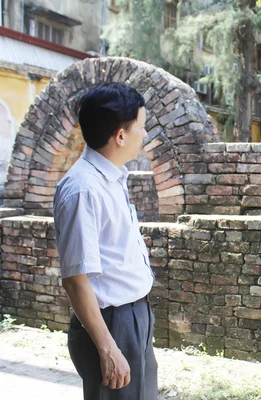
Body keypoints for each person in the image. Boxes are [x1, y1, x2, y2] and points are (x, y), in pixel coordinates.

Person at [53, 82, 157, 399]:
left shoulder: (110, 177)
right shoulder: (82, 189)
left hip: (133, 315)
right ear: (120, 135)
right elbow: (75, 279)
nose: (145, 134)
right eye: (141, 126)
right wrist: (108, 347)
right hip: (111, 323)